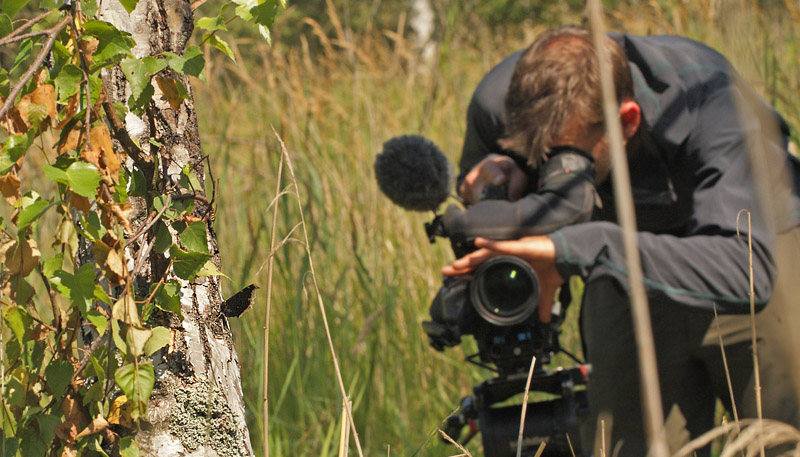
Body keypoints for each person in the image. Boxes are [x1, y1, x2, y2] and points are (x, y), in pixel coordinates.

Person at [443, 26, 800, 456]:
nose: (558, 173)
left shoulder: (711, 99)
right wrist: (497, 185)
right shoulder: (496, 106)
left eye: (570, 157)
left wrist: (581, 247)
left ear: (627, 120)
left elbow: (746, 271)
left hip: (753, 249)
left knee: (785, 440)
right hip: (619, 264)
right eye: (540, 154)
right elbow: (484, 210)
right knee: (628, 445)